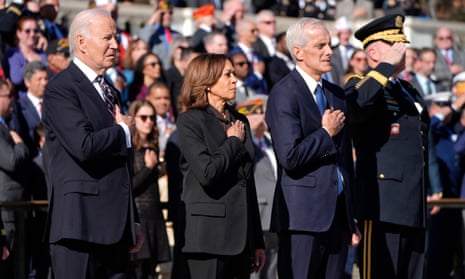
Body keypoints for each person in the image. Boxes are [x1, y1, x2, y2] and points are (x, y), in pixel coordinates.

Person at [41, 8, 143, 278]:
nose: (114, 44)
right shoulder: (61, 88)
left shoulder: (112, 92)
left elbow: (122, 166)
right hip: (80, 226)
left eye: (116, 37)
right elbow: (83, 146)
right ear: (81, 43)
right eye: (106, 38)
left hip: (117, 229)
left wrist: (133, 218)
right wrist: (123, 131)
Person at [265, 17, 360, 279]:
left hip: (338, 218)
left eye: (329, 45)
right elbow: (291, 157)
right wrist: (326, 133)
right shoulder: (284, 93)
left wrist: (350, 216)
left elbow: (344, 161)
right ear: (298, 51)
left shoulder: (336, 94)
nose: (329, 51)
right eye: (320, 46)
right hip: (302, 218)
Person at [345, 14, 429, 279]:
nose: (402, 50)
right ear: (373, 52)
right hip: (382, 203)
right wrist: (383, 69)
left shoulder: (407, 90)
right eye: (394, 45)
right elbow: (356, 106)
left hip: (413, 202)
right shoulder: (359, 84)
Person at [176, 53, 265, 278]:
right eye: (227, 75)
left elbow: (248, 182)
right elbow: (207, 172)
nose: (234, 80)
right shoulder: (190, 121)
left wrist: (257, 241)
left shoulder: (240, 120)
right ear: (207, 82)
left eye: (234, 73)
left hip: (242, 239)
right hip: (209, 238)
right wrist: (233, 142)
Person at [127, 99, 171, 279]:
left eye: (152, 117)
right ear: (133, 119)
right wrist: (149, 169)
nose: (149, 122)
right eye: (143, 117)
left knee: (152, 273)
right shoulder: (128, 149)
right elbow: (128, 187)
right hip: (138, 219)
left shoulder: (153, 146)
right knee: (137, 272)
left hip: (155, 217)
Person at [0, 78, 30, 278]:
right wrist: (20, 145)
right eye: (7, 96)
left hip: (17, 207)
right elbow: (11, 161)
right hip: (7, 210)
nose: (13, 101)